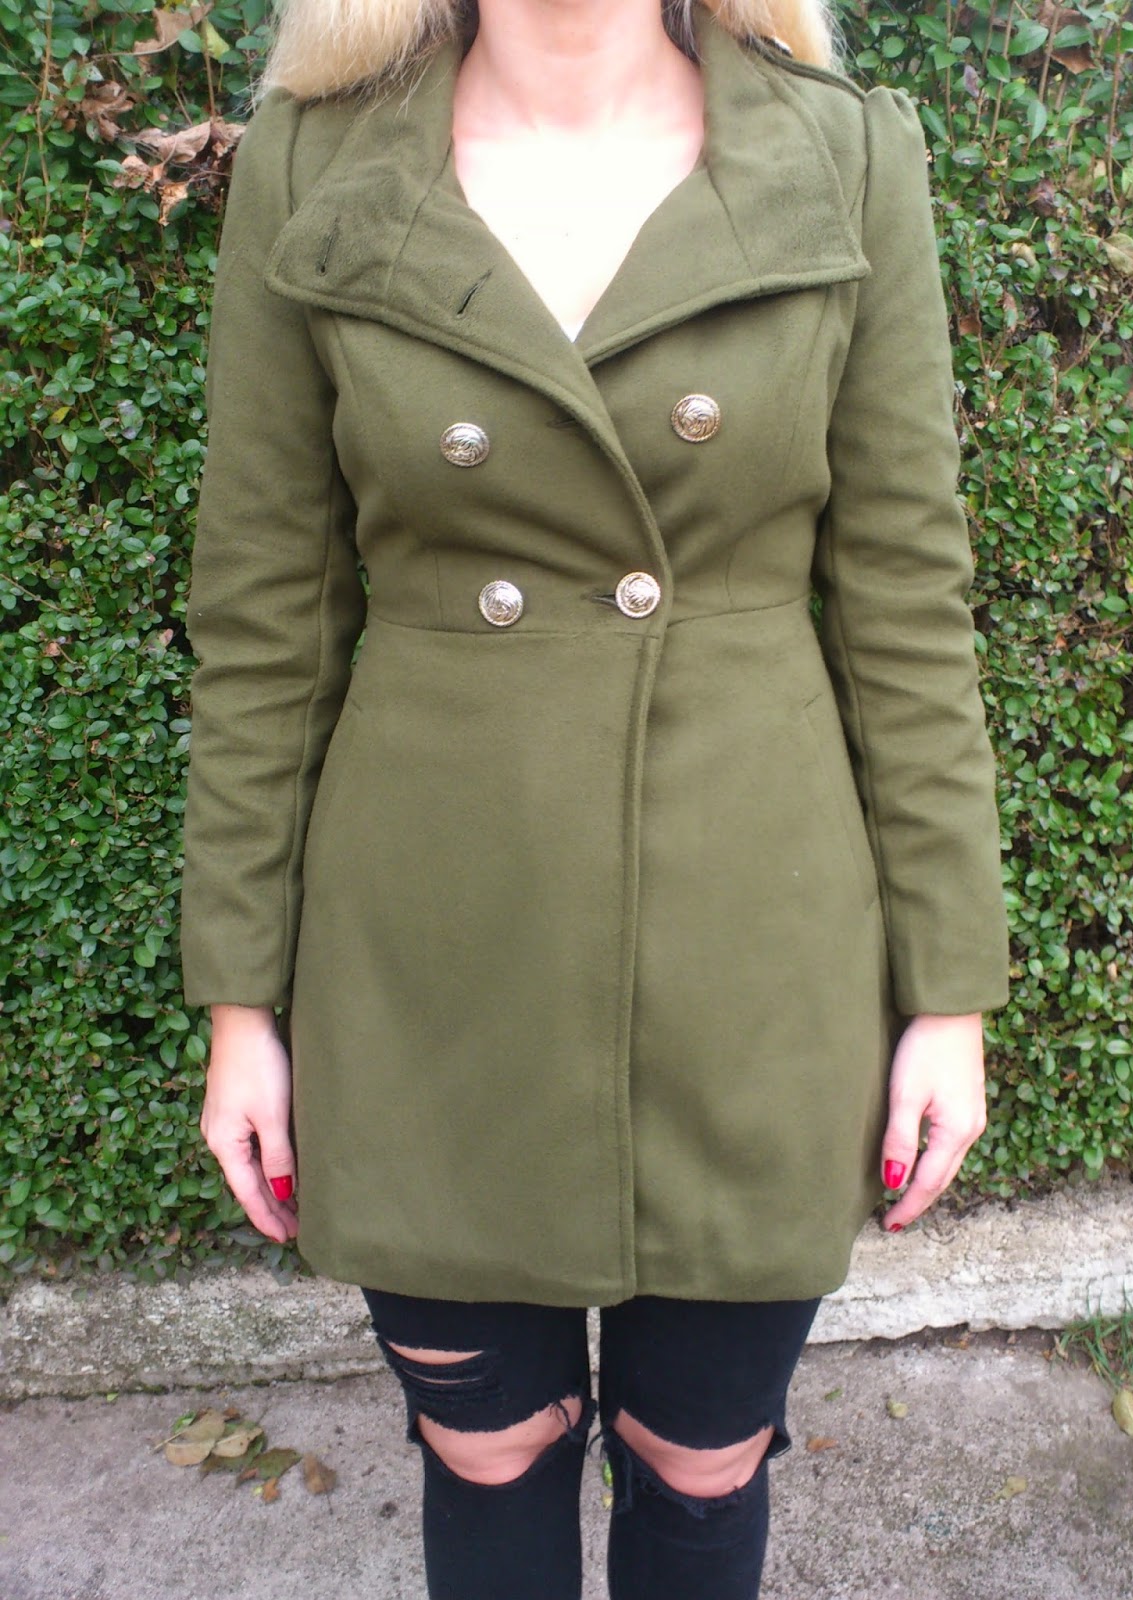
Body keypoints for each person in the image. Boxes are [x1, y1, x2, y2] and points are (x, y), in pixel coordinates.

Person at [180, 0, 1011, 1594]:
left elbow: (908, 605)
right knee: (487, 1444)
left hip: (750, 944)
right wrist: (241, 1000)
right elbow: (265, 619)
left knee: (699, 1459)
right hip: (431, 953)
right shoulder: (314, 165)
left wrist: (949, 994)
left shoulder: (842, 158)